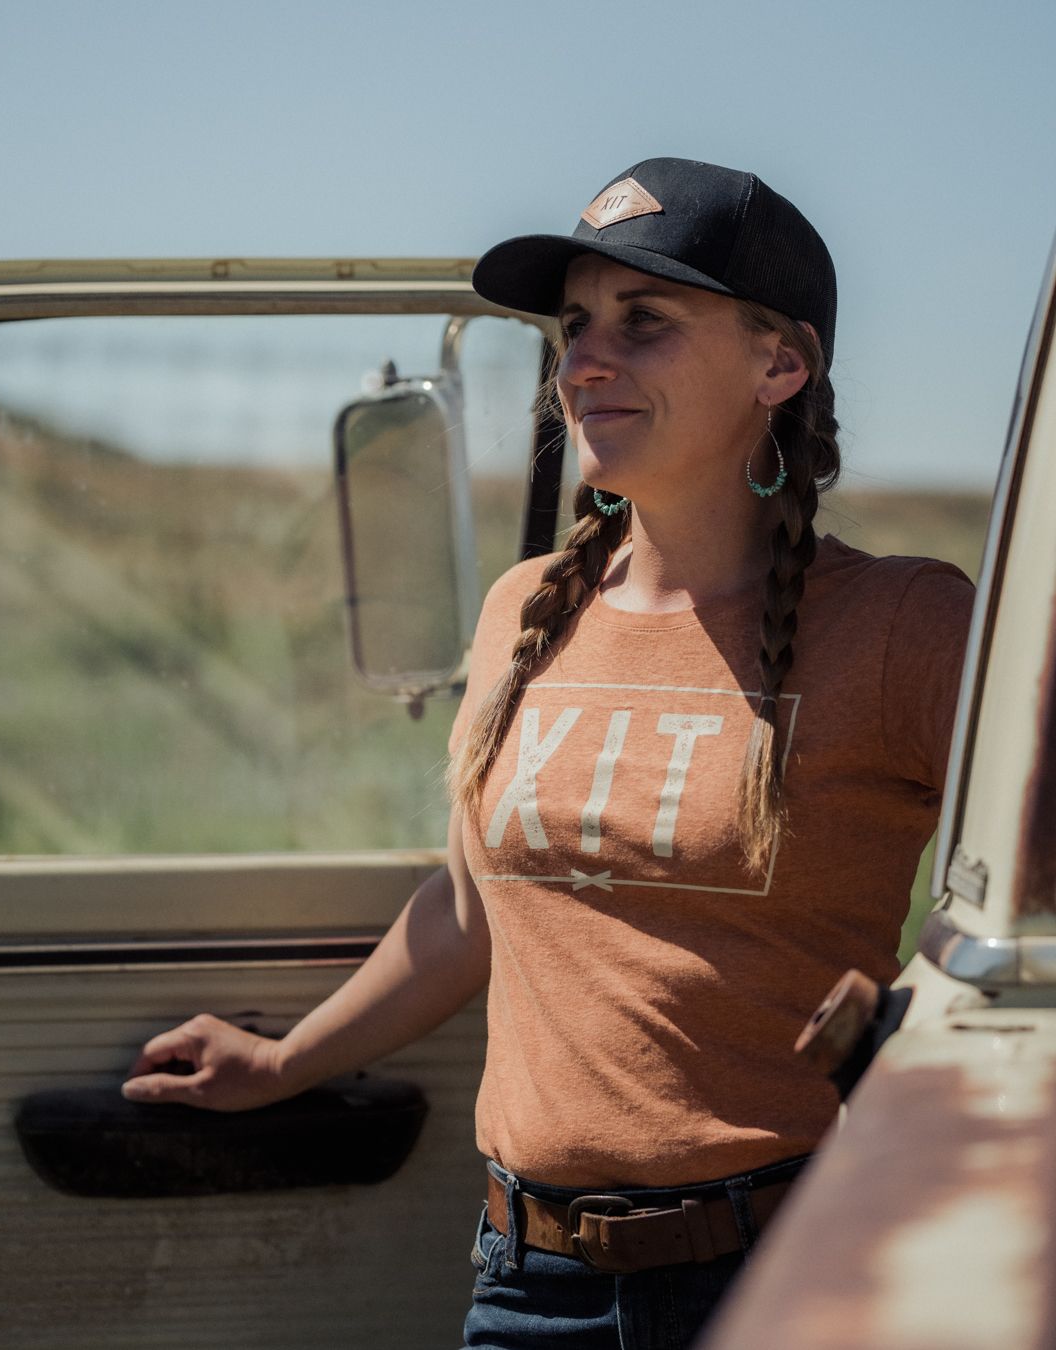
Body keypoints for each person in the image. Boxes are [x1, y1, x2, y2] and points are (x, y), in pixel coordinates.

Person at [123, 157, 975, 1348]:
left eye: (647, 323)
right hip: (526, 1281)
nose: (585, 361)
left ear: (780, 364)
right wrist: (283, 1065)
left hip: (786, 1272)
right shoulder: (527, 607)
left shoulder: (907, 626)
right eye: (575, 326)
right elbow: (475, 908)